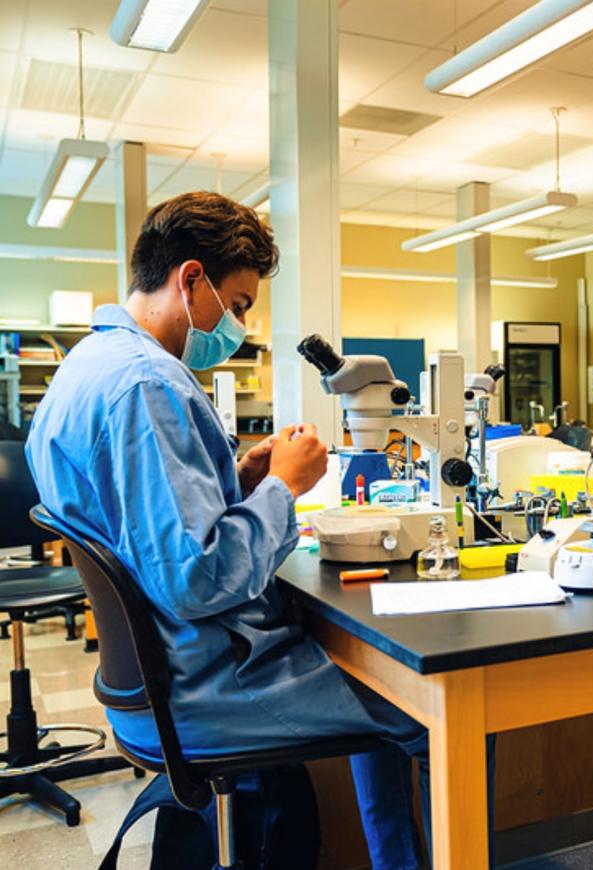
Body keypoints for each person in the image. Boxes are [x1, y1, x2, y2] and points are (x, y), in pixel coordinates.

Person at [25, 192, 459, 870]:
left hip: (148, 683)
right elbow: (196, 579)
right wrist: (285, 488)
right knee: (436, 708)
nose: (241, 322)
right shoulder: (149, 385)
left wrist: (239, 485)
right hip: (206, 681)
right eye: (240, 302)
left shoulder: (83, 369)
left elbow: (141, 526)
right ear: (190, 278)